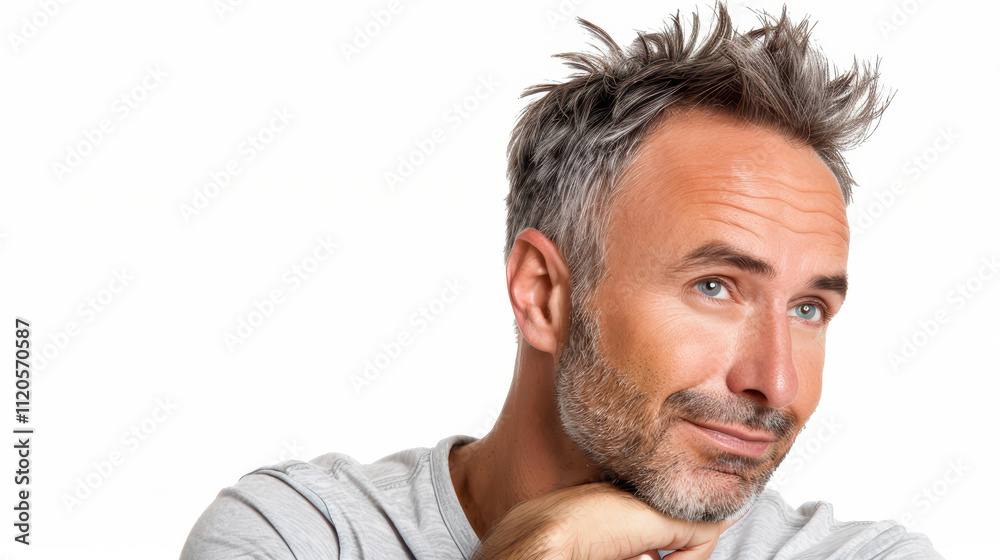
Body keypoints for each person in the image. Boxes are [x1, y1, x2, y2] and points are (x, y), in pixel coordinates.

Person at [180, 4, 944, 559]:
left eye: (810, 308)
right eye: (716, 287)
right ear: (544, 293)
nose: (776, 382)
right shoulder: (299, 534)